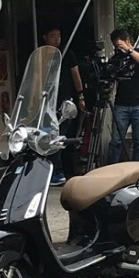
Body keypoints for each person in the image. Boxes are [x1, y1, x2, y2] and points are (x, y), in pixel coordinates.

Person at [41, 25, 85, 186]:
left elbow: (75, 74)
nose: (56, 39)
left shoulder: (66, 53)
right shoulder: (41, 55)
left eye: (58, 35)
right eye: (53, 35)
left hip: (64, 102)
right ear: (44, 37)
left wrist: (80, 95)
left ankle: (59, 170)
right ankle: (47, 169)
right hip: (45, 102)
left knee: (60, 135)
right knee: (46, 135)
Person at [105, 27, 139, 164]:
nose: (118, 48)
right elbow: (109, 77)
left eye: (119, 45)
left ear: (127, 40)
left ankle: (137, 173)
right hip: (121, 104)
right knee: (116, 141)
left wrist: (129, 50)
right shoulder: (115, 59)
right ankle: (111, 170)